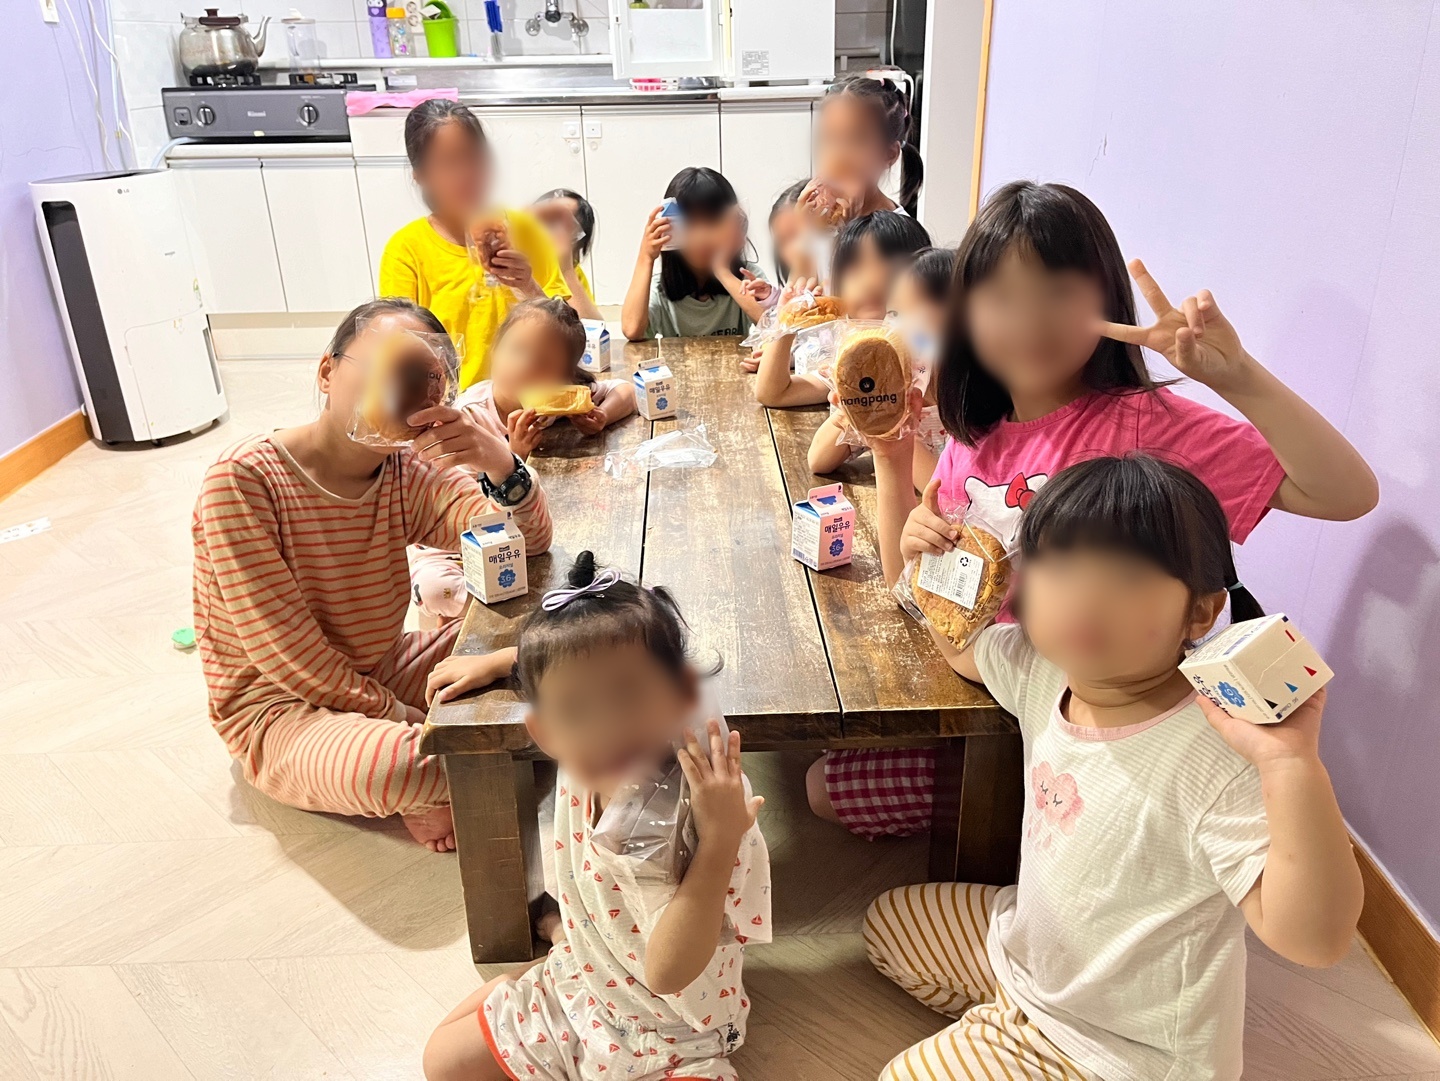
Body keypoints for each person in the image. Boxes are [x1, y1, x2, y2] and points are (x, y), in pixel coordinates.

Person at [810, 180, 1378, 839]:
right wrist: (904, 502)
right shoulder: (974, 442)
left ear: (1105, 300)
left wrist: (1236, 377)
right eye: (1001, 297)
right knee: (821, 778)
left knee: (831, 788)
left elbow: (1344, 494)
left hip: (1113, 734)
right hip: (1002, 698)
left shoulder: (1147, 424)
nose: (1030, 321)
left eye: (1058, 291)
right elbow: (924, 601)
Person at [865, 455, 1363, 1080]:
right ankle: (1010, 1019)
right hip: (1036, 958)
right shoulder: (1044, 668)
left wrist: (1291, 766)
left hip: (1125, 1049)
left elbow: (1315, 939)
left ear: (1201, 612)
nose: (1083, 600)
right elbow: (964, 650)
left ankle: (1022, 1043)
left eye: (1126, 577)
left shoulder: (1220, 750)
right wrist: (930, 565)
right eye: (1057, 569)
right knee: (889, 925)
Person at [191, 298, 552, 854]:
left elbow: (524, 547)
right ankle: (455, 775)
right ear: (327, 371)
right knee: (407, 762)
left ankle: (475, 767)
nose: (406, 388)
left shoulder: (406, 469)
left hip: (382, 665)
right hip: (278, 709)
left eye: (426, 378)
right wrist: (410, 719)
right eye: (388, 363)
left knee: (557, 641)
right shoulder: (243, 481)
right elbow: (290, 658)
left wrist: (498, 461)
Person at [422, 553, 770, 1081]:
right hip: (587, 984)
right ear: (545, 733)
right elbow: (584, 663)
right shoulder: (579, 752)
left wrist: (721, 839)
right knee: (442, 1061)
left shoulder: (706, 799)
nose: (607, 727)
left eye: (628, 695)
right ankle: (558, 952)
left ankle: (560, 947)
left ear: (680, 696)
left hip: (675, 1035)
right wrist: (502, 662)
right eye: (576, 708)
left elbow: (668, 973)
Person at [410, 299, 636, 619]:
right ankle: (488, 614)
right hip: (454, 542)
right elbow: (464, 505)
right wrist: (513, 458)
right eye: (517, 350)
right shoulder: (468, 418)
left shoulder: (554, 406)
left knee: (562, 565)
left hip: (526, 534)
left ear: (564, 379)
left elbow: (626, 391)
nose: (525, 366)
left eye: (543, 363)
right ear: (494, 349)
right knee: (434, 588)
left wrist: (601, 417)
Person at [379, 99, 570, 387]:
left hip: (531, 393)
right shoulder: (406, 250)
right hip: (454, 403)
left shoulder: (525, 231)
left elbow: (566, 331)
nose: (466, 174)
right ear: (420, 175)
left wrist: (528, 286)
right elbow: (399, 351)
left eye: (474, 158)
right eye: (449, 163)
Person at [807, 246, 954, 491]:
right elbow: (818, 461)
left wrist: (896, 428)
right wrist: (855, 410)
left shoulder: (965, 413)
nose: (900, 327)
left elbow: (943, 494)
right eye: (894, 313)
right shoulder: (888, 392)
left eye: (918, 314)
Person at [753, 210, 931, 407]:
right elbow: (773, 394)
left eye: (888, 266)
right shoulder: (851, 357)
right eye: (855, 269)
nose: (869, 282)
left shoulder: (930, 352)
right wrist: (786, 322)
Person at [621, 166, 768, 341]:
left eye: (712, 222)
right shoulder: (661, 287)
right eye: (689, 224)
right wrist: (645, 257)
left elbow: (773, 326)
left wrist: (722, 270)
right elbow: (632, 329)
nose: (701, 237)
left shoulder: (746, 277)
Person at [801, 72, 923, 222]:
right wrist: (805, 228)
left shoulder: (897, 231)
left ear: (889, 154)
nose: (838, 155)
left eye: (855, 140)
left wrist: (847, 228)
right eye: (828, 138)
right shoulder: (820, 215)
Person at [533, 187, 603, 321]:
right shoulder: (501, 260)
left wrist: (565, 270)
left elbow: (592, 326)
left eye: (555, 223)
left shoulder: (573, 274)